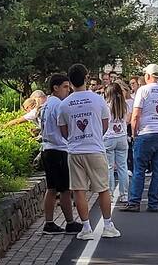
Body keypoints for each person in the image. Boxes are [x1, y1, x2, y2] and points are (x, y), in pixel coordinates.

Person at [58, 63, 121, 240]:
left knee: (79, 190)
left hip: (75, 150)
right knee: (103, 188)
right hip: (95, 148)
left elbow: (63, 131)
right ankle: (108, 225)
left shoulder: (65, 104)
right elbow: (105, 124)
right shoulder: (98, 99)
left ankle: (86, 228)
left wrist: (74, 139)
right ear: (86, 78)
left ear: (70, 81)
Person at [120, 64, 158, 212]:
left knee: (139, 170)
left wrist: (134, 133)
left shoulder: (143, 91)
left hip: (145, 133)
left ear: (148, 76)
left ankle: (134, 202)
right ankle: (153, 203)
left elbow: (136, 115)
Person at [40, 74, 82, 235]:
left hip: (47, 148)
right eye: (65, 86)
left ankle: (49, 222)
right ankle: (70, 222)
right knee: (64, 189)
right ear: (55, 88)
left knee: (51, 188)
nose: (68, 90)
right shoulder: (59, 104)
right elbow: (66, 126)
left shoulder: (46, 104)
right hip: (59, 148)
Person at [103, 83, 130, 203]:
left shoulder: (106, 107)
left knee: (109, 167)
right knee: (122, 167)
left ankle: (110, 194)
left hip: (109, 137)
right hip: (122, 137)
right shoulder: (124, 106)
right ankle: (124, 195)